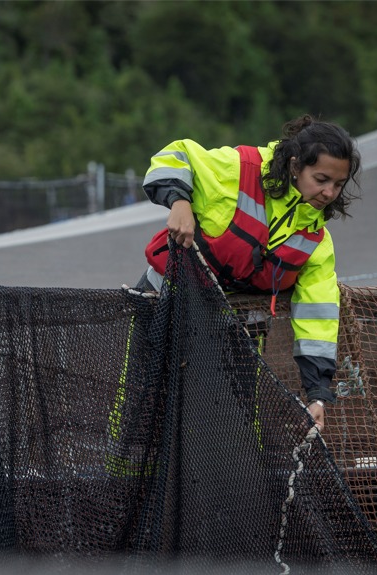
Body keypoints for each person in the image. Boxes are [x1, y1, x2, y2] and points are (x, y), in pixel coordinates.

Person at [137, 114, 361, 433]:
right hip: (165, 303)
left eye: (338, 185)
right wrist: (179, 202)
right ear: (295, 165)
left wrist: (317, 395)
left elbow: (318, 316)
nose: (329, 193)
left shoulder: (316, 242)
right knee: (144, 405)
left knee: (236, 421)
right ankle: (126, 477)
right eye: (321, 179)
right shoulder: (239, 169)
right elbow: (175, 155)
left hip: (240, 329)